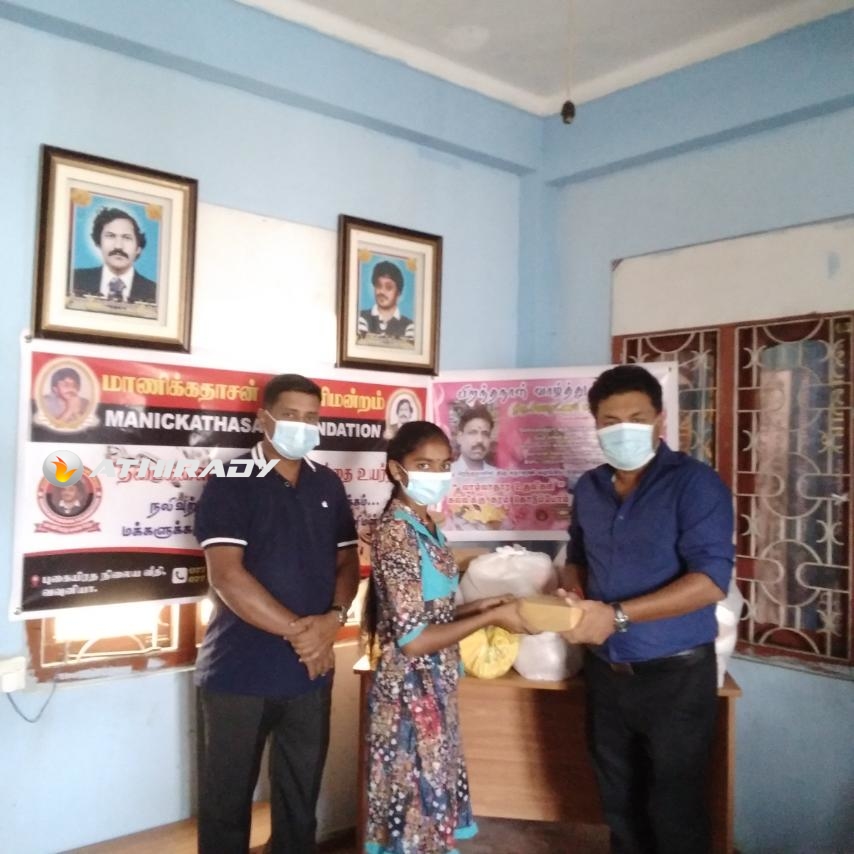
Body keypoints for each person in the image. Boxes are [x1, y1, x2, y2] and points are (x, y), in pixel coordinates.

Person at [560, 364, 733, 854]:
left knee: (675, 810)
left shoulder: (696, 484)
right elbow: (576, 559)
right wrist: (573, 599)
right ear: (596, 426)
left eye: (636, 418)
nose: (623, 430)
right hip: (606, 674)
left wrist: (616, 615)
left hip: (675, 678)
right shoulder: (589, 488)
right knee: (618, 805)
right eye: (610, 421)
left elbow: (710, 582)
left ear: (660, 420)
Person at [194, 373, 359, 854]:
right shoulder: (230, 482)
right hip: (239, 675)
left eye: (311, 417)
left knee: (299, 804)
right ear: (263, 418)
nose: (302, 426)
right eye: (290, 415)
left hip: (310, 675)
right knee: (226, 806)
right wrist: (304, 635)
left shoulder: (327, 483)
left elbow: (347, 561)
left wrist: (333, 618)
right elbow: (227, 576)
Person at [363, 421, 528, 854]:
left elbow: (431, 613)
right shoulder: (397, 532)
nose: (437, 474)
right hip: (409, 694)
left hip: (435, 687)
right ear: (397, 469)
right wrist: (492, 618)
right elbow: (414, 640)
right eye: (424, 465)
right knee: (414, 813)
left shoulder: (427, 525)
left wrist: (486, 608)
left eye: (443, 464)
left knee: (432, 803)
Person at [72, 207, 157, 304]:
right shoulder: (75, 279)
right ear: (98, 243)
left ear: (138, 248)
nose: (118, 246)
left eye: (127, 237)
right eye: (111, 236)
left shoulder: (154, 292)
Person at [357, 260, 414, 342]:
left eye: (388, 287)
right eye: (378, 285)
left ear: (398, 293)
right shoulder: (361, 318)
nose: (382, 292)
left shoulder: (409, 326)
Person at [450, 406, 497, 474]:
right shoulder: (446, 474)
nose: (480, 440)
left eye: (485, 434)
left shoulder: (498, 475)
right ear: (459, 438)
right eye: (473, 433)